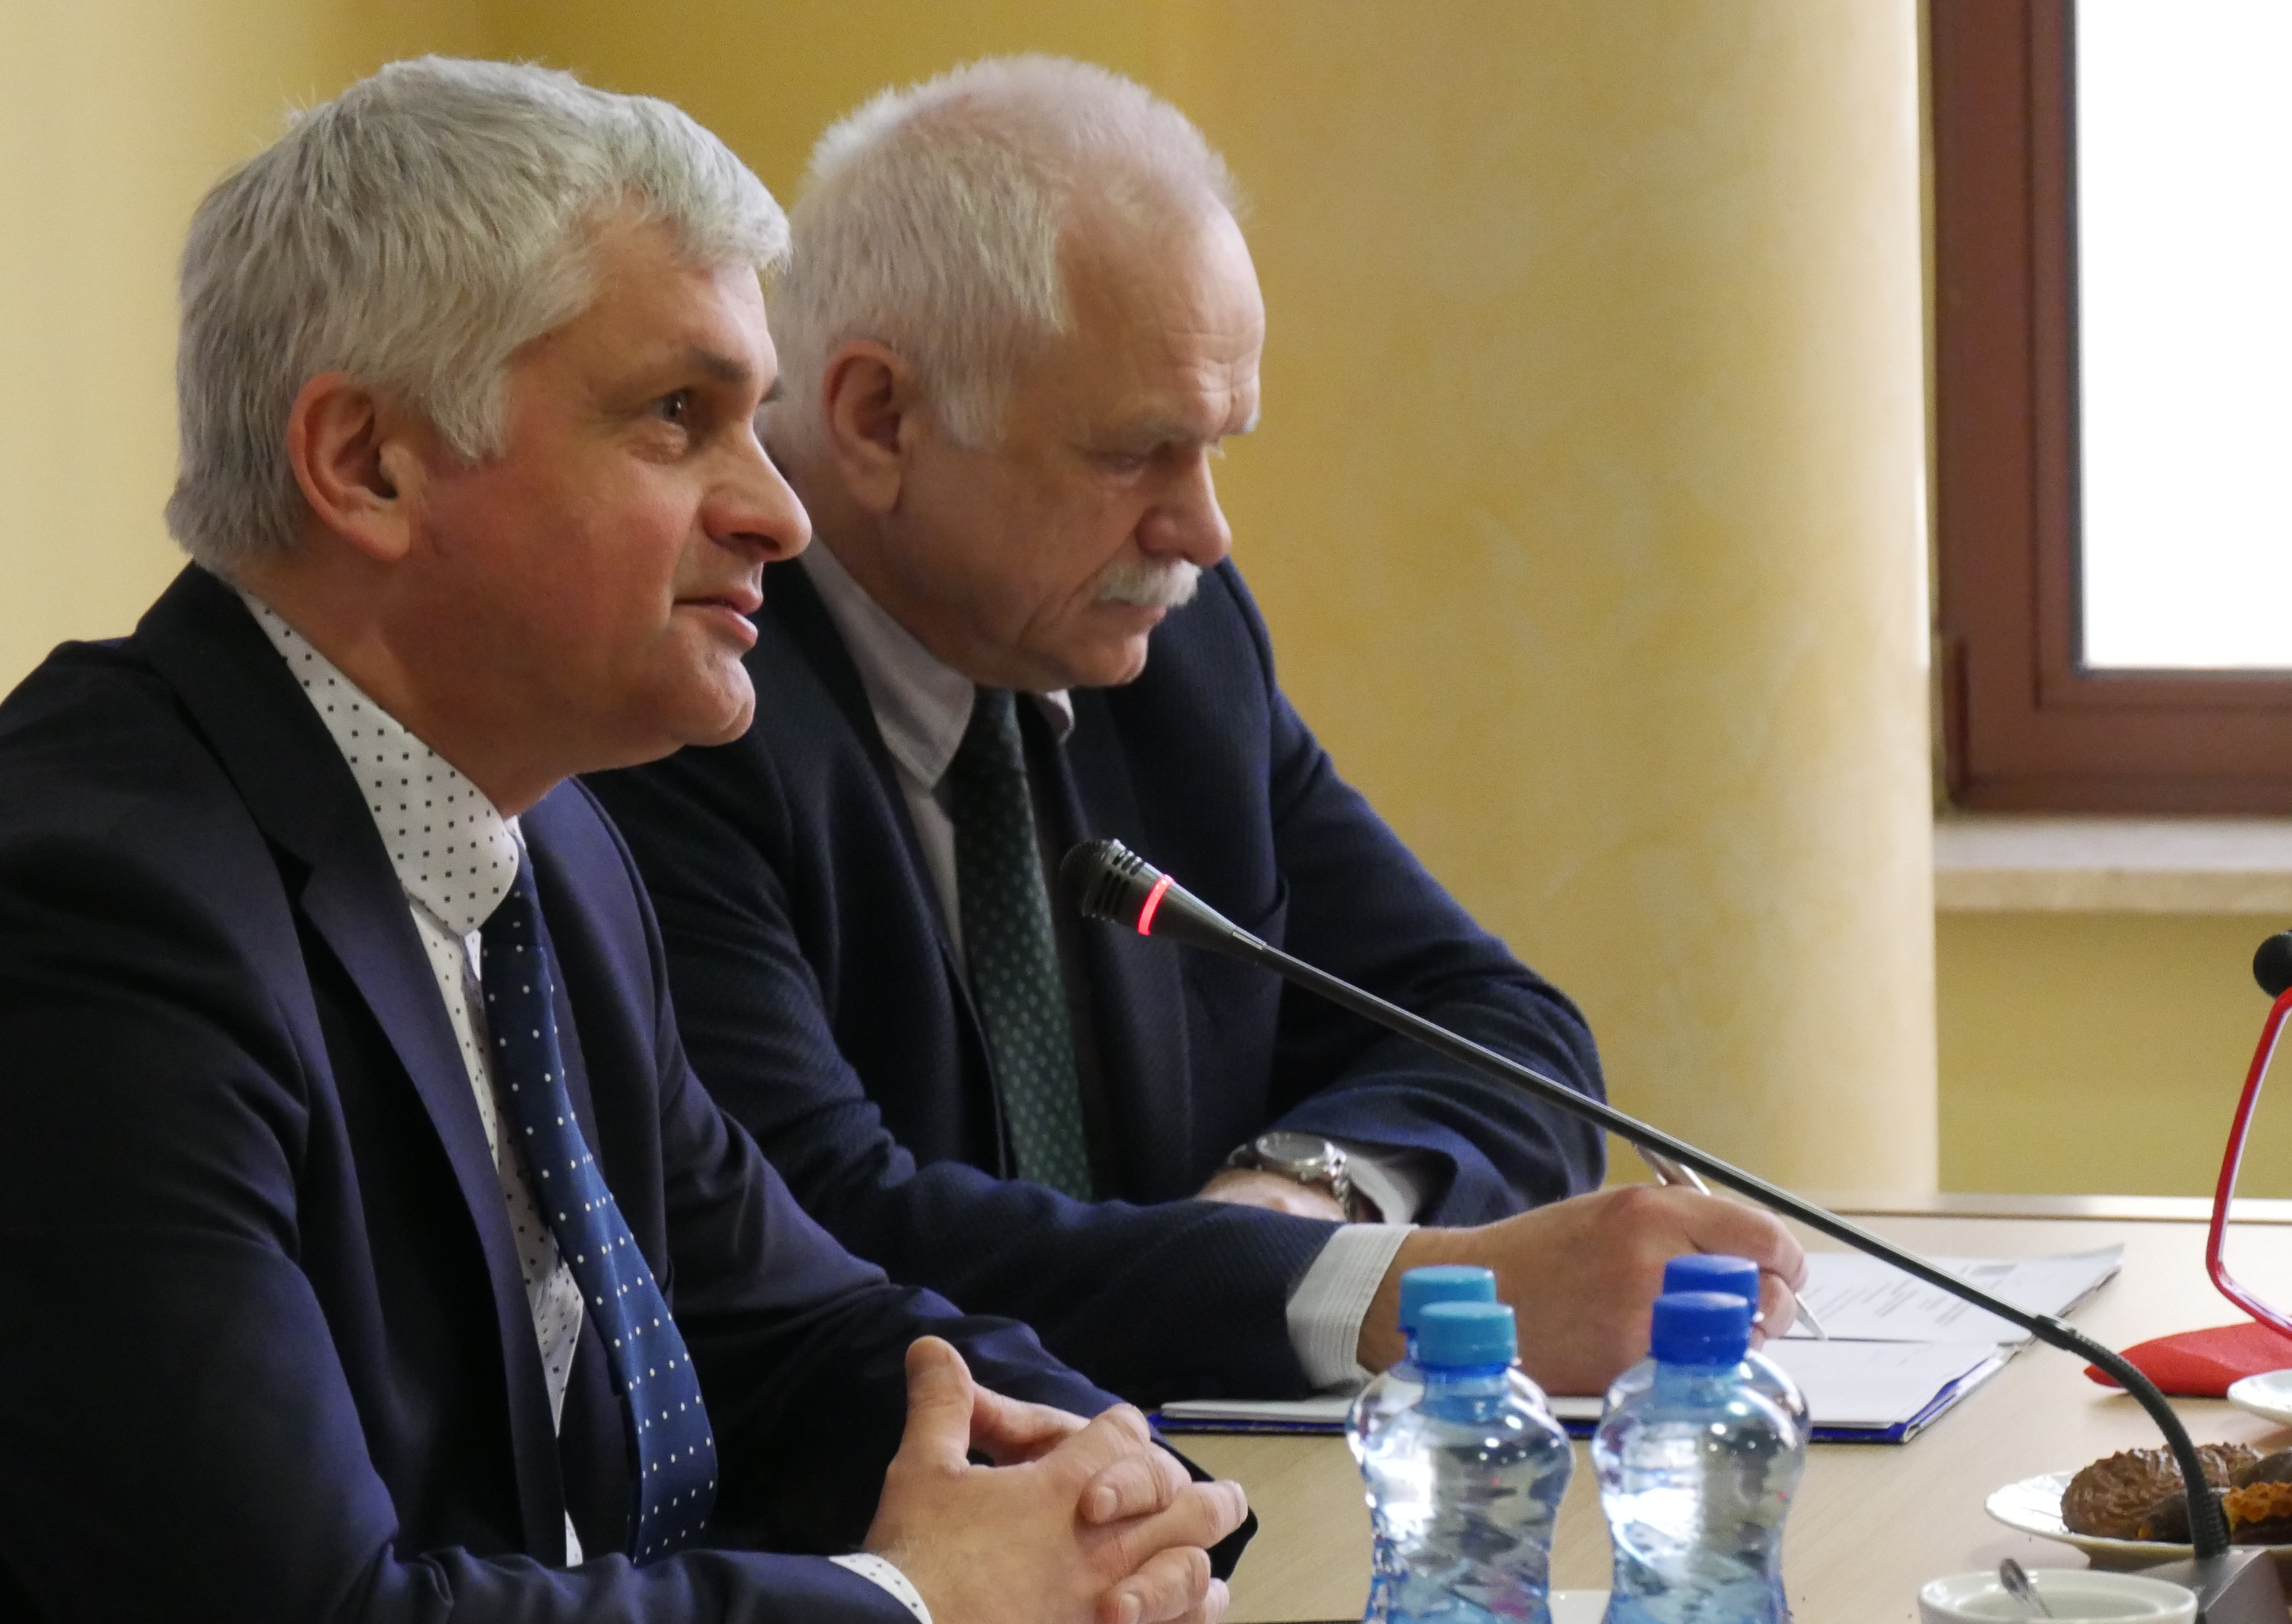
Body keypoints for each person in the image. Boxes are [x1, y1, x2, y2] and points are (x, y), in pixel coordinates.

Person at [0, 58, 1247, 1624]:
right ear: (367, 465)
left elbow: (789, 1328)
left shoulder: (549, 850)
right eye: (679, 417)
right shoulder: (73, 938)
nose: (779, 511)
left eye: (754, 422)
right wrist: (907, 1603)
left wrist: (1091, 1478)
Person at [584, 57, 1804, 1402]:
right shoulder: (673, 696)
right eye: (1133, 454)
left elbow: (1505, 1034)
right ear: (880, 418)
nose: (1202, 531)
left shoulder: (1176, 650)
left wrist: (1297, 1198)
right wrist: (1392, 1291)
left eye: (1219, 446)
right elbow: (828, 1238)